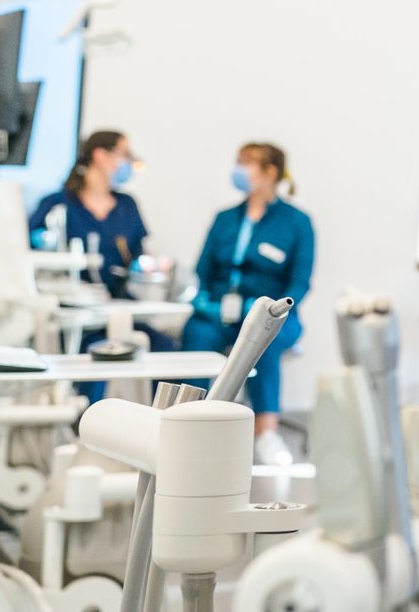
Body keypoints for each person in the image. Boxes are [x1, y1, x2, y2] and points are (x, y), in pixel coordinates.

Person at [180, 142, 316, 466]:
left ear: (271, 172)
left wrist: (267, 310)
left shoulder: (297, 223)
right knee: (196, 335)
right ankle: (193, 425)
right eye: (238, 162)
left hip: (274, 315)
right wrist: (203, 300)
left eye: (247, 164)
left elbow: (300, 284)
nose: (239, 170)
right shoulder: (226, 218)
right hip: (217, 313)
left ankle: (266, 432)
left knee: (263, 341)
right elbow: (202, 270)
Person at [32, 131, 164, 401]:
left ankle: (164, 421)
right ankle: (87, 425)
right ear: (100, 156)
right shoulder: (57, 206)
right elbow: (32, 251)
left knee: (165, 347)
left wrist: (146, 268)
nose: (130, 162)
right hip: (75, 315)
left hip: (119, 307)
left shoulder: (126, 205)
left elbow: (139, 255)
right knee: (97, 357)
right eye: (125, 155)